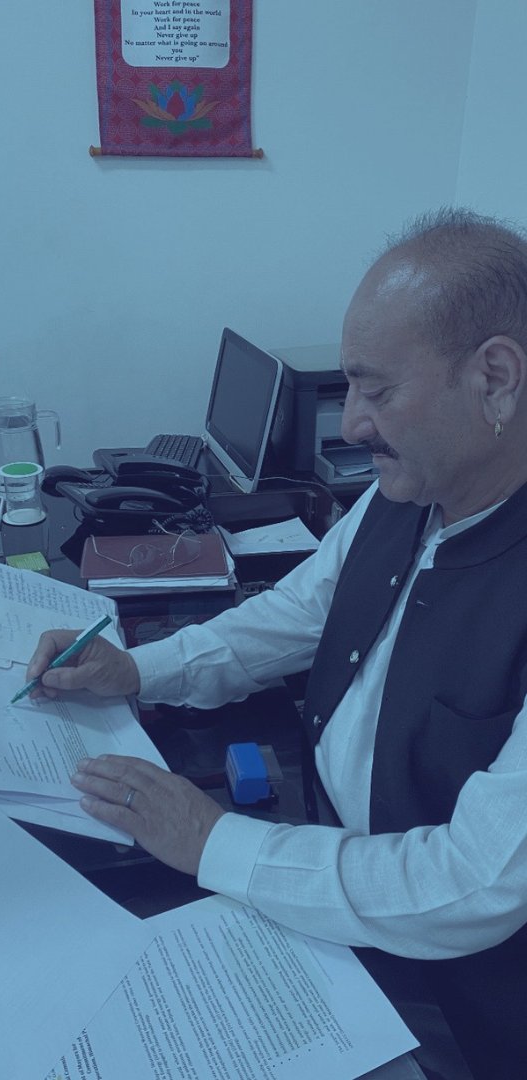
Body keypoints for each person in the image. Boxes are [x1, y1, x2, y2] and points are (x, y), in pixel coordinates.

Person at [26, 208, 527, 1078]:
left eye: (376, 391)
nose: (353, 425)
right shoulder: (410, 492)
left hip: (456, 1000)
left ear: (495, 378)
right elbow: (298, 611)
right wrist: (140, 668)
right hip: (320, 886)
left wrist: (213, 842)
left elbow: (475, 883)